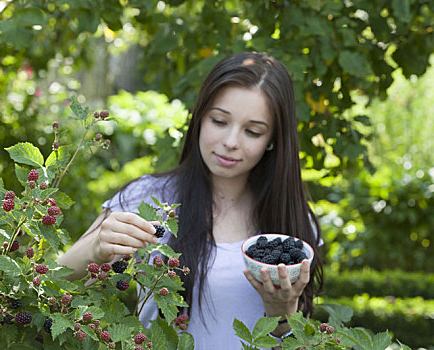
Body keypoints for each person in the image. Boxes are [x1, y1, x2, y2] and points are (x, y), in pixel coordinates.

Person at [57, 51, 324, 349]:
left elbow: (298, 343)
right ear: (199, 118)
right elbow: (53, 288)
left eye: (252, 131)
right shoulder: (149, 199)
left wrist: (282, 314)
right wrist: (94, 249)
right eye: (219, 121)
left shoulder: (291, 229)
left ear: (273, 139)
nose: (231, 141)